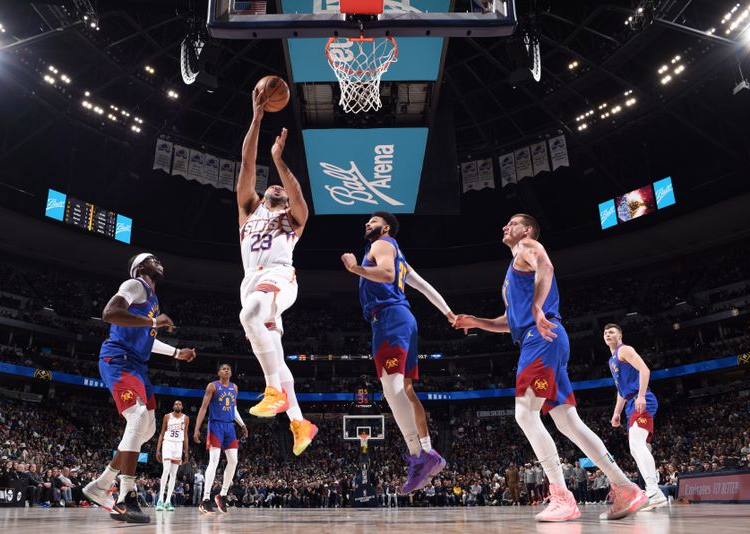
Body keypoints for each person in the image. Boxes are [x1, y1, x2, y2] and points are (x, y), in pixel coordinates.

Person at [453, 214, 648, 521]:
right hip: (542, 337)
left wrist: (538, 308)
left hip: (541, 338)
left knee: (524, 413)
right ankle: (625, 488)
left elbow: (547, 266)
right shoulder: (513, 270)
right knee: (568, 423)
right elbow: (510, 321)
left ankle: (561, 495)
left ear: (527, 230)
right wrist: (477, 322)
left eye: (512, 223)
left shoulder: (528, 246)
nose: (505, 227)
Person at [341, 212, 453, 494]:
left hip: (389, 320)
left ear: (386, 227)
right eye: (367, 221)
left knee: (391, 390)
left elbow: (388, 274)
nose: (368, 223)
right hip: (401, 319)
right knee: (405, 390)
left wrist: (356, 269)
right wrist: (448, 313)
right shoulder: (397, 251)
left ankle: (419, 456)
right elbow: (423, 285)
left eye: (374, 220)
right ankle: (425, 451)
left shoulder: (381, 244)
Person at [83, 253, 196, 524]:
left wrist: (176, 352)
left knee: (147, 428)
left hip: (137, 365)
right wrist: (152, 322)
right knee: (135, 418)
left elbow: (147, 337)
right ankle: (125, 497)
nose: (159, 261)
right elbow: (109, 313)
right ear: (141, 267)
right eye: (151, 259)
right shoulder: (136, 285)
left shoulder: (153, 302)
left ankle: (102, 484)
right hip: (119, 358)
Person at [236, 88, 317, 454]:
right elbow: (247, 165)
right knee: (275, 352)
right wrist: (256, 117)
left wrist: (280, 161)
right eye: (273, 186)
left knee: (251, 312)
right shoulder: (249, 209)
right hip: (251, 280)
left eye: (281, 188)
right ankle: (300, 423)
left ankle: (273, 393)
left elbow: (298, 196)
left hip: (281, 276)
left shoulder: (292, 219)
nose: (277, 188)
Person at [604, 323, 667, 510]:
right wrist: (616, 412)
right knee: (637, 447)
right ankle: (654, 491)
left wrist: (640, 396)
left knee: (637, 444)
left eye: (612, 332)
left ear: (620, 335)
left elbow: (645, 370)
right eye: (605, 332)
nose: (608, 334)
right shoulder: (612, 360)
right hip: (630, 403)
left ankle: (654, 490)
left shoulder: (625, 350)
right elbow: (621, 391)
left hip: (642, 399)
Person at [194, 363, 248, 515]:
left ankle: (222, 495)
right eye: (223, 368)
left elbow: (234, 408)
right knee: (214, 460)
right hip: (216, 425)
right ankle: (205, 499)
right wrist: (197, 428)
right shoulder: (212, 386)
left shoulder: (234, 388)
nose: (226, 370)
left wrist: (242, 424)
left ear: (231, 373)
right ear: (218, 372)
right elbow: (203, 408)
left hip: (230, 427)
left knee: (234, 461)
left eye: (228, 368)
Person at [155, 400, 189, 511]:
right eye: (176, 404)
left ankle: (168, 501)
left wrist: (186, 452)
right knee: (166, 470)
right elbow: (162, 433)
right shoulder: (167, 416)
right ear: (173, 406)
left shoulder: (186, 418)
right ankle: (160, 500)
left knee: (174, 474)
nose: (177, 405)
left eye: (179, 404)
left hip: (178, 445)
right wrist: (158, 449)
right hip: (168, 443)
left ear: (182, 406)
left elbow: (185, 435)